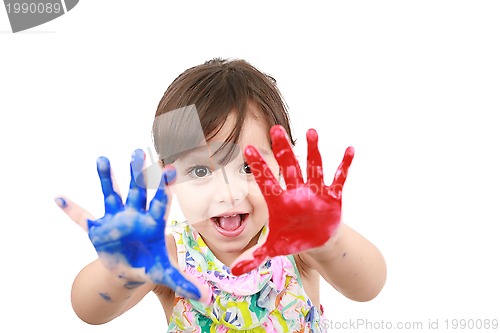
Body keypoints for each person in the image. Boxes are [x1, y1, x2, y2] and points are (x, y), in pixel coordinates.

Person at [56, 58, 387, 332]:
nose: (229, 194)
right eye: (200, 171)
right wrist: (122, 270)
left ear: (285, 162)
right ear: (168, 177)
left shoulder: (296, 243)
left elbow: (368, 286)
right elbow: (89, 311)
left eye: (250, 167)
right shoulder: (168, 257)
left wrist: (329, 241)